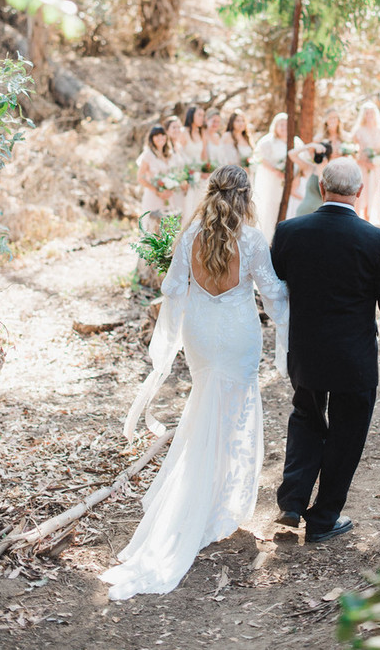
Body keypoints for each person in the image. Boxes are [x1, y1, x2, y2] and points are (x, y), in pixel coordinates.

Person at [101, 166, 289, 599]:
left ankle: (202, 493)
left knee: (204, 403)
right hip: (238, 333)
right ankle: (218, 500)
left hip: (200, 333)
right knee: (234, 413)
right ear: (246, 196)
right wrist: (294, 312)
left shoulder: (190, 237)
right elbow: (274, 294)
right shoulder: (252, 239)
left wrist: (166, 344)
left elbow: (172, 288)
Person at [271, 158, 380, 543]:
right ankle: (323, 519)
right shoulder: (376, 240)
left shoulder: (289, 231)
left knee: (305, 419)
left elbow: (274, 286)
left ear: (321, 188)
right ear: (360, 192)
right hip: (354, 359)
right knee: (347, 435)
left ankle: (292, 502)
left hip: (306, 354)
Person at [254, 113, 292, 241]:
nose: (284, 127)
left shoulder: (295, 141)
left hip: (289, 183)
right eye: (281, 124)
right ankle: (268, 239)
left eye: (286, 124)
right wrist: (277, 171)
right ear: (275, 126)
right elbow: (261, 158)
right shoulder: (267, 141)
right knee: (270, 208)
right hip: (272, 182)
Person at [352, 102, 380, 224]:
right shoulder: (358, 131)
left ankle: (369, 221)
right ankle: (357, 221)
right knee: (361, 194)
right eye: (367, 113)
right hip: (362, 168)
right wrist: (364, 162)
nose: (369, 115)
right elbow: (354, 153)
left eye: (371, 113)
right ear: (363, 115)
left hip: (375, 169)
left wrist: (376, 161)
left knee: (372, 193)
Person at [136, 125, 174, 217]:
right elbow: (140, 178)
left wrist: (171, 188)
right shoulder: (148, 155)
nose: (160, 138)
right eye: (157, 136)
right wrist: (157, 191)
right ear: (152, 138)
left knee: (167, 223)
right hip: (153, 195)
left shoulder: (168, 154)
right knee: (153, 222)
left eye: (162, 135)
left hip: (168, 196)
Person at [288, 141, 332, 216]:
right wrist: (310, 145)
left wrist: (320, 172)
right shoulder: (310, 168)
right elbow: (291, 154)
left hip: (320, 215)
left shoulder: (332, 173)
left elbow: (325, 196)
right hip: (304, 212)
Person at [181, 105, 207, 218]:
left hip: (200, 177)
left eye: (203, 115)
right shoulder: (183, 132)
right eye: (199, 115)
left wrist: (205, 170)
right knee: (187, 208)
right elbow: (179, 156)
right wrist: (184, 176)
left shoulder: (201, 133)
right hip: (188, 176)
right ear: (191, 115)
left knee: (199, 208)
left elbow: (203, 155)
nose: (202, 118)